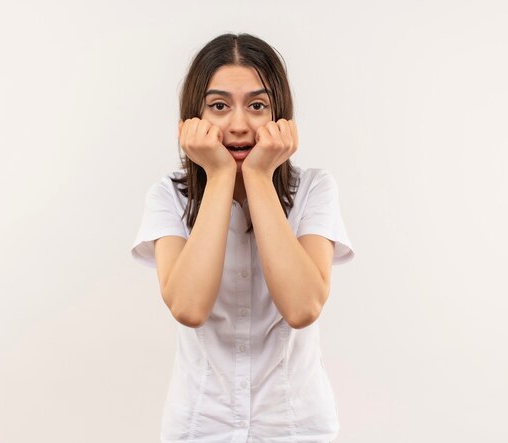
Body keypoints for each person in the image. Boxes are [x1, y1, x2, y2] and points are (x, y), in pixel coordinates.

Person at [131, 32, 355, 443]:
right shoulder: (167, 195)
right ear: (190, 122)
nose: (238, 125)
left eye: (257, 105)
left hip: (296, 427)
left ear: (281, 118)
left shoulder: (315, 190)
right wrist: (218, 176)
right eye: (218, 106)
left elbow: (303, 307)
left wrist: (256, 175)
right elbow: (188, 306)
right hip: (200, 427)